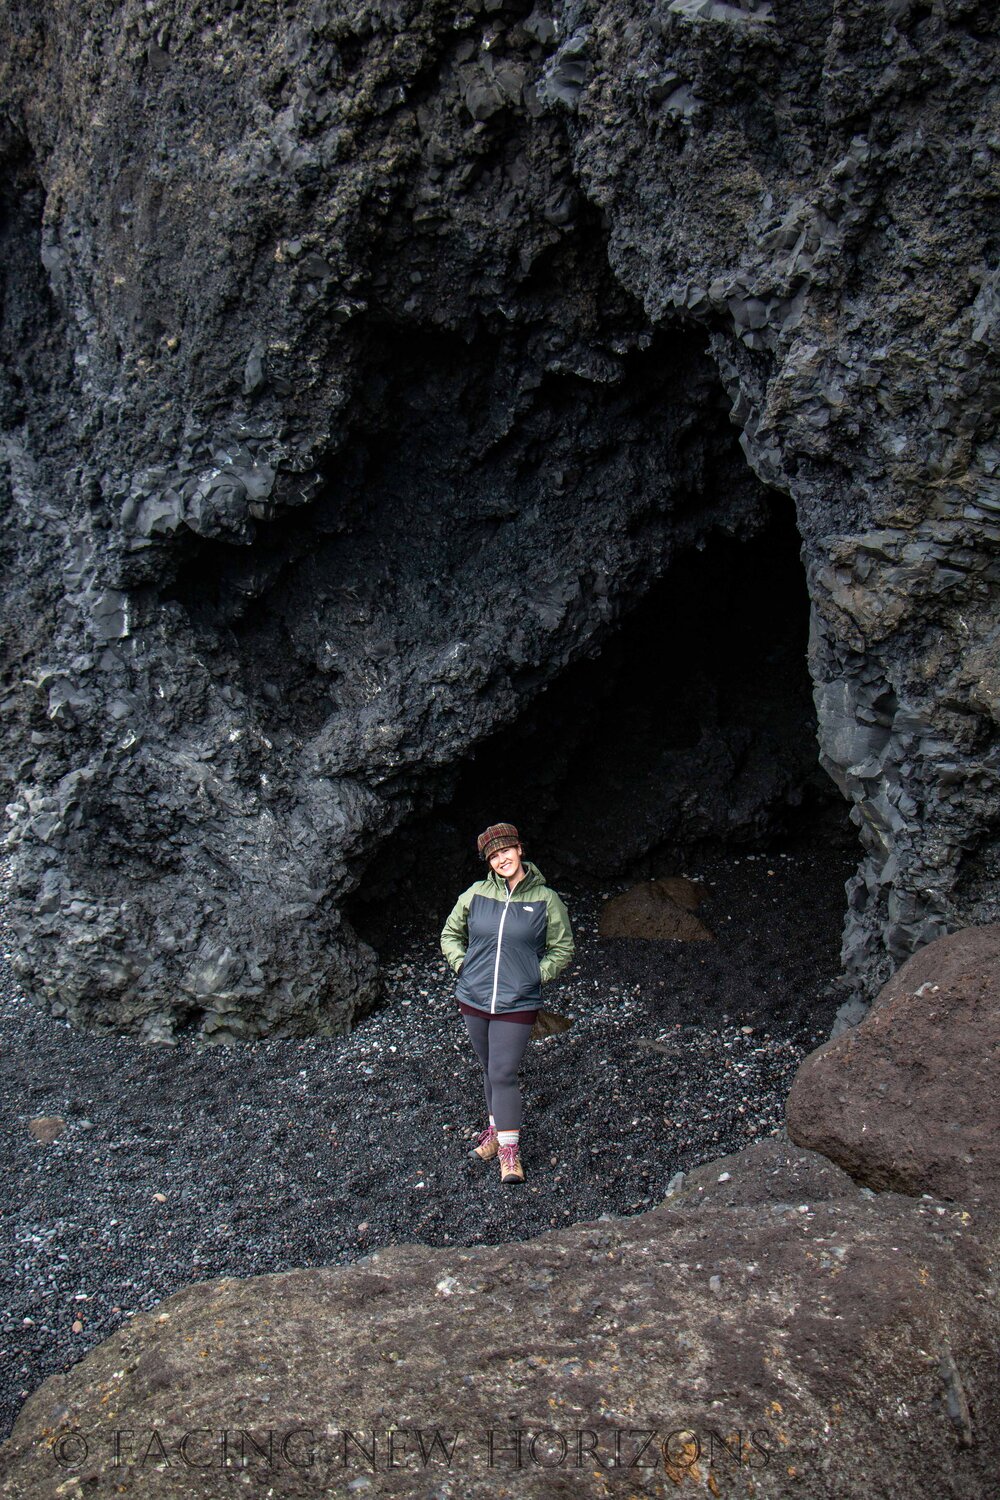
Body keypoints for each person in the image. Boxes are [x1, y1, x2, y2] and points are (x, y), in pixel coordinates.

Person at [440, 822, 575, 1185]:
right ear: (489, 861)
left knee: (503, 1072)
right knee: (488, 1069)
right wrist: (462, 965)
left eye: (506, 851)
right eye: (494, 855)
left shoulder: (546, 899)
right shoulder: (475, 894)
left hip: (517, 1001)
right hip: (474, 997)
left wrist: (535, 975)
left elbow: (563, 948)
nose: (502, 859)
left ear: (519, 850)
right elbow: (450, 934)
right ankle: (496, 1132)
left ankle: (509, 1151)